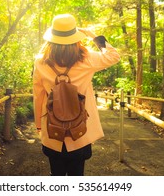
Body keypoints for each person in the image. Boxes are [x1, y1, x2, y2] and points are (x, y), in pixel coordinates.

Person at [32, 13, 120, 176]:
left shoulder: (40, 61)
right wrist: (93, 35)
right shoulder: (87, 59)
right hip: (80, 130)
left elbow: (38, 96)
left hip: (52, 129)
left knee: (56, 175)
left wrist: (39, 124)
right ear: (75, 37)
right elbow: (114, 56)